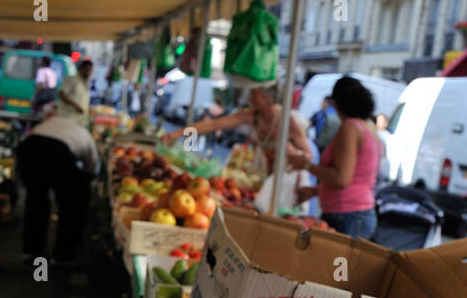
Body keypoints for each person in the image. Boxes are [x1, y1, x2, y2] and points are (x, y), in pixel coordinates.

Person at [288, 76, 382, 240]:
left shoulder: (350, 128)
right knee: (339, 265)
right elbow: (356, 177)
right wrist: (315, 191)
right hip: (355, 214)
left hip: (348, 216)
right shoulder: (368, 126)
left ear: (337, 102)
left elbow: (341, 179)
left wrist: (306, 165)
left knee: (338, 266)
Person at [162, 84, 311, 173]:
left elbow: (308, 156)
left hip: (286, 184)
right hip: (269, 178)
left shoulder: (286, 121)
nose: (250, 98)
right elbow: (213, 124)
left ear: (269, 97)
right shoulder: (253, 115)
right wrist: (177, 133)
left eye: (254, 93)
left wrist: (295, 154)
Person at [16, 114, 99, 265]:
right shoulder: (87, 137)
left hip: (28, 148)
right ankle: (63, 254)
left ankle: (32, 251)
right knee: (71, 206)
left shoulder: (53, 122)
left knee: (36, 200)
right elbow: (90, 171)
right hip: (58, 152)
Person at [57, 59, 93, 124]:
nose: (88, 72)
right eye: (87, 69)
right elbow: (61, 94)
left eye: (90, 70)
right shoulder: (71, 79)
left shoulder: (85, 84)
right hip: (67, 118)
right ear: (82, 68)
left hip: (79, 120)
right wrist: (75, 105)